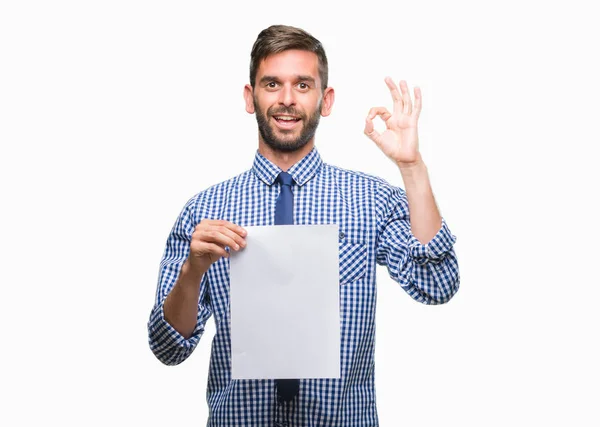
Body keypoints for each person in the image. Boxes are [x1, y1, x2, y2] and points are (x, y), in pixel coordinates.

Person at [148, 24, 460, 427]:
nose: (287, 99)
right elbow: (167, 348)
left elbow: (438, 285)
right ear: (250, 97)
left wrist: (411, 168)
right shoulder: (204, 211)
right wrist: (193, 271)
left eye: (303, 85)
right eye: (272, 84)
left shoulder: (370, 200)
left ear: (325, 100)